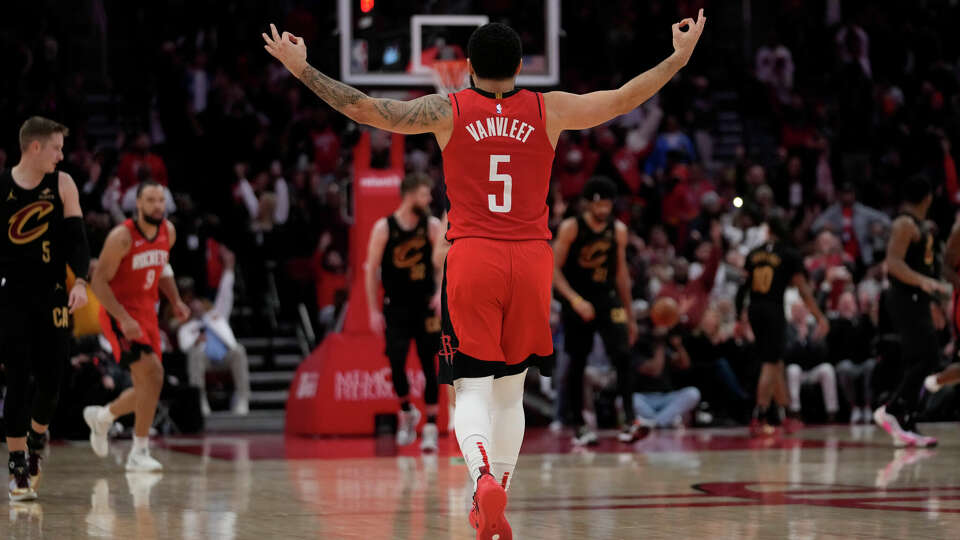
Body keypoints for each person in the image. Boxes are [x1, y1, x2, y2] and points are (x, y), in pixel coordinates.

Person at [263, 11, 705, 538]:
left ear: (467, 65)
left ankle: (481, 480)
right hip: (532, 260)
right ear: (521, 66)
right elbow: (623, 97)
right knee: (510, 394)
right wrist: (678, 57)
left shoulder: (447, 109)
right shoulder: (550, 109)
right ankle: (497, 494)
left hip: (473, 257)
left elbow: (365, 109)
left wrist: (302, 68)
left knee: (470, 391)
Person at [1, 117, 91, 500]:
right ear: (34, 148)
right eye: (56, 147)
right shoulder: (1, 186)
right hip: (13, 297)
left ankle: (38, 433)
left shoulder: (63, 184)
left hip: (54, 292)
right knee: (18, 378)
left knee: (53, 380)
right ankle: (19, 464)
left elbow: (77, 240)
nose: (62, 154)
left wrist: (82, 282)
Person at [84, 179, 191, 471]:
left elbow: (164, 268)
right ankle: (139, 450)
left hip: (147, 313)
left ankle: (104, 417)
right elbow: (98, 282)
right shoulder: (122, 237)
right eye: (151, 200)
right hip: (120, 313)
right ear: (138, 204)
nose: (158, 205)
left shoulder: (168, 232)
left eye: (161, 200)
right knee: (154, 374)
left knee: (150, 385)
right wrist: (123, 318)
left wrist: (177, 301)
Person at [553, 176, 644, 445]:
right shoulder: (571, 227)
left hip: (606, 297)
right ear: (587, 205)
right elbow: (553, 269)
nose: (604, 209)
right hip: (578, 299)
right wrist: (574, 300)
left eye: (607, 204)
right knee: (577, 361)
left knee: (623, 355)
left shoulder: (618, 230)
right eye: (599, 205)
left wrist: (629, 315)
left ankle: (629, 420)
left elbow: (622, 274)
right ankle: (579, 425)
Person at [364, 173, 442, 451]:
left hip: (425, 306)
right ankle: (407, 412)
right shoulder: (383, 228)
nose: (429, 199)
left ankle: (431, 426)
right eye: (424, 194)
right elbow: (370, 270)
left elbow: (443, 262)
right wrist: (373, 310)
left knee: (429, 364)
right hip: (395, 306)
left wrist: (440, 293)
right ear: (409, 195)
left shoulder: (431, 226)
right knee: (396, 362)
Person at [874, 175, 949, 447]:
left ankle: (906, 418)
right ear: (928, 197)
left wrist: (934, 300)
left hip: (918, 298)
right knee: (928, 357)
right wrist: (925, 282)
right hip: (905, 297)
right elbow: (892, 264)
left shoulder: (920, 225)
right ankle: (893, 410)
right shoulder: (904, 223)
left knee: (922, 357)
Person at [736, 218, 828, 437]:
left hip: (754, 309)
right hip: (773, 309)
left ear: (768, 230)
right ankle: (759, 415)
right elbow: (804, 291)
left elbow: (742, 290)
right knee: (770, 362)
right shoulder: (789, 254)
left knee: (776, 361)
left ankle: (785, 414)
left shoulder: (753, 253)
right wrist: (820, 317)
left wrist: (739, 317)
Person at [177, 247, 251, 417]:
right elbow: (183, 346)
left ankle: (242, 398)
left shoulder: (216, 315)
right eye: (192, 305)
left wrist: (229, 269)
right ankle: (200, 400)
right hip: (205, 359)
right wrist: (195, 341)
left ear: (203, 304)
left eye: (198, 303)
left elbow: (225, 294)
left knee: (239, 351)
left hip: (224, 357)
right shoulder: (187, 327)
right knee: (194, 355)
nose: (196, 306)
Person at [784, 302, 838, 422]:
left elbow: (823, 355)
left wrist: (815, 340)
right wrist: (799, 340)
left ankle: (831, 411)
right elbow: (787, 355)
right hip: (797, 371)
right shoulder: (787, 329)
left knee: (827, 369)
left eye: (802, 310)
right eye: (797, 310)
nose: (800, 313)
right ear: (792, 312)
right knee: (793, 370)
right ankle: (795, 411)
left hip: (812, 370)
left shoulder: (814, 327)